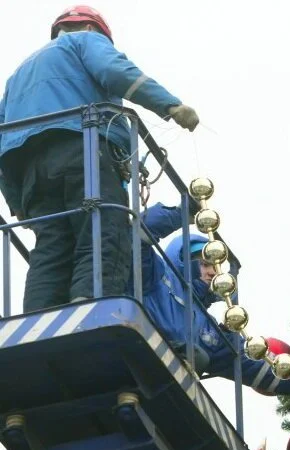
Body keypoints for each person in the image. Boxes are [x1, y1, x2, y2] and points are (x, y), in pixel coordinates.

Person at [0, 5, 199, 312]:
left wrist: (17, 203)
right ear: (93, 29)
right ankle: (91, 307)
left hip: (31, 174)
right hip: (83, 150)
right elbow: (115, 71)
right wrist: (170, 105)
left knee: (51, 247)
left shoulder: (16, 77)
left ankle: (38, 317)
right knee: (104, 230)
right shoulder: (84, 41)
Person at [139, 202, 290, 396]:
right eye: (204, 264)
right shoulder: (157, 275)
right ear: (181, 259)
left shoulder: (210, 330)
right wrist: (183, 213)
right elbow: (137, 234)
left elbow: (254, 367)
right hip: (139, 350)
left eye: (216, 266)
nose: (212, 272)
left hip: (164, 385)